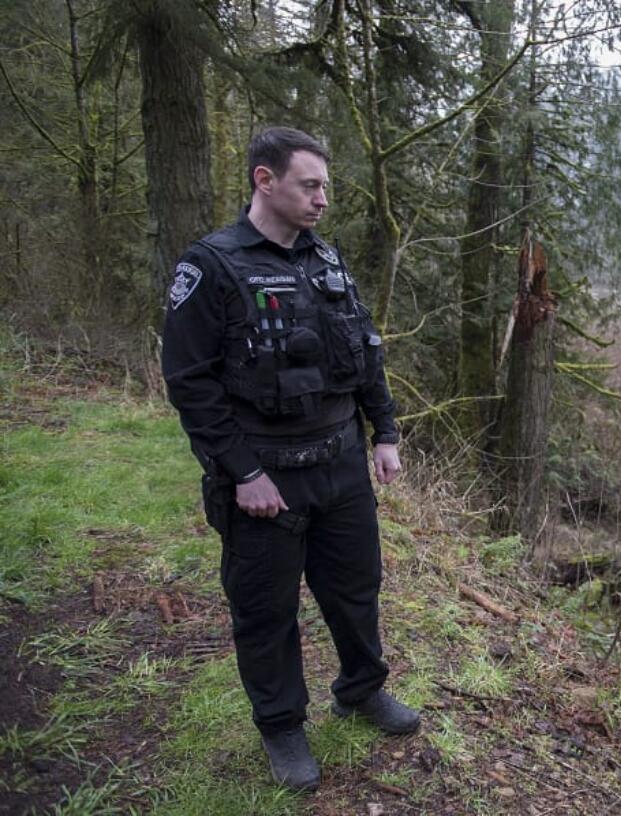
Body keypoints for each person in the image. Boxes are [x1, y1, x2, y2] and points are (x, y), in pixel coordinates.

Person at [162, 126, 418, 791]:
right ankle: (281, 725)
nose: (322, 199)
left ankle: (361, 690)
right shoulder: (212, 266)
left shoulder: (326, 261)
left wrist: (384, 433)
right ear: (264, 180)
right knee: (265, 607)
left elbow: (366, 351)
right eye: (310, 184)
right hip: (263, 476)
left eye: (325, 186)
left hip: (339, 465)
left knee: (356, 589)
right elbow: (191, 382)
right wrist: (242, 473)